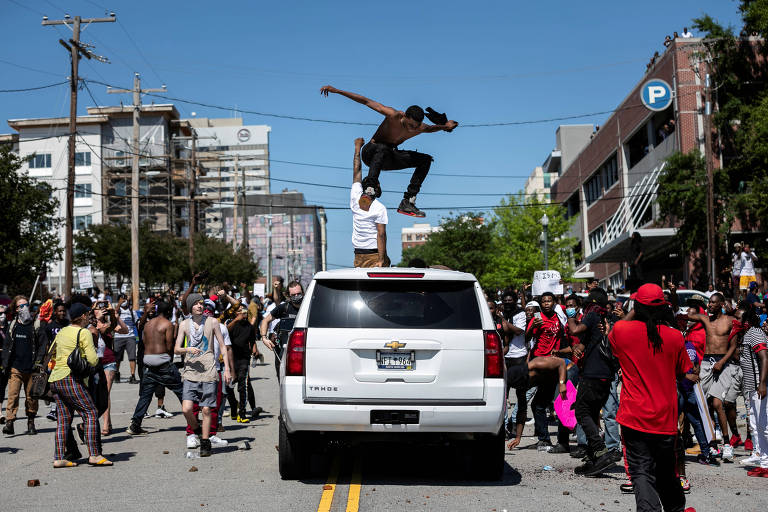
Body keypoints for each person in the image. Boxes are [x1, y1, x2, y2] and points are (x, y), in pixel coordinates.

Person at [609, 283, 692, 512]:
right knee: (666, 472)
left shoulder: (622, 331)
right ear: (664, 307)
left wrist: (635, 307)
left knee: (641, 472)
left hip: (634, 416)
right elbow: (683, 371)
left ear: (636, 306)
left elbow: (619, 328)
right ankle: (676, 509)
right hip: (665, 418)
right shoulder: (675, 337)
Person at [320, 85, 458, 217]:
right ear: (404, 116)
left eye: (415, 127)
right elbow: (365, 101)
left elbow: (433, 128)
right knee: (383, 147)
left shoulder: (420, 128)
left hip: (389, 157)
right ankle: (369, 190)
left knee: (426, 160)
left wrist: (446, 126)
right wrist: (337, 91)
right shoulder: (393, 115)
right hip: (370, 152)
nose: (411, 129)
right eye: (410, 125)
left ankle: (408, 201)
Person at [48, 302, 112, 467]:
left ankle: (59, 457)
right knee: (90, 412)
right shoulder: (83, 333)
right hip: (70, 378)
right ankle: (94, 455)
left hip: (55, 379)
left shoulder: (62, 331)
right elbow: (92, 359)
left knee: (63, 419)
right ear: (83, 316)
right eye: (87, 315)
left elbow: (51, 353)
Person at [569, 288, 619, 476]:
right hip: (606, 375)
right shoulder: (606, 319)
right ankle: (592, 459)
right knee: (591, 413)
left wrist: (571, 315)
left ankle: (601, 451)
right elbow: (585, 342)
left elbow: (574, 330)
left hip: (593, 374)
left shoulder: (592, 316)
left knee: (582, 411)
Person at [174, 293, 231, 457]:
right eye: (196, 304)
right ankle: (197, 430)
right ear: (190, 307)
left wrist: (226, 369)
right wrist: (187, 349)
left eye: (201, 304)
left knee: (206, 409)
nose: (200, 306)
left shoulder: (213, 322)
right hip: (190, 371)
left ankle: (205, 442)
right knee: (187, 409)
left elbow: (222, 346)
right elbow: (176, 349)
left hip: (209, 370)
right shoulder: (184, 325)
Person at [687, 293, 742, 461]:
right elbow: (689, 315)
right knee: (703, 402)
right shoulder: (705, 320)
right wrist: (679, 296)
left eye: (713, 303)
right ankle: (712, 444)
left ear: (721, 304)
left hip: (723, 362)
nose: (710, 305)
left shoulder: (730, 321)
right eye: (709, 302)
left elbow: (733, 346)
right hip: (706, 362)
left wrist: (722, 362)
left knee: (718, 403)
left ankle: (727, 443)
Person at [127, 301, 184, 436]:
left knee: (145, 396)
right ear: (169, 312)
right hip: (162, 363)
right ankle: (195, 420)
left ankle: (135, 425)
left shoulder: (148, 324)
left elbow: (145, 342)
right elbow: (169, 346)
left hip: (148, 362)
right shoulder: (167, 324)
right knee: (182, 391)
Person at [2, 295, 47, 436]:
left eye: (26, 305)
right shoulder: (13, 325)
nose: (25, 308)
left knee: (31, 397)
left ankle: (31, 422)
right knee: (13, 395)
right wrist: (5, 364)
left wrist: (39, 362)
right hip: (15, 367)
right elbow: (7, 346)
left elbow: (43, 345)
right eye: (21, 306)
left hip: (32, 368)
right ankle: (10, 422)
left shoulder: (36, 324)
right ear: (16, 309)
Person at [733, 302, 768, 476]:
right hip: (752, 387)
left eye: (738, 318)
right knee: (757, 424)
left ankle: (766, 462)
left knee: (764, 426)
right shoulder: (746, 334)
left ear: (746, 318)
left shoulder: (755, 333)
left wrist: (762, 384)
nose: (735, 320)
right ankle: (763, 461)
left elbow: (764, 358)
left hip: (760, 387)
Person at [506, 355, 568, 451]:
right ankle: (544, 440)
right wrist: (518, 438)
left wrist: (562, 383)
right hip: (549, 380)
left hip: (566, 370)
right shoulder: (521, 386)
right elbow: (521, 412)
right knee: (537, 405)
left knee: (562, 404)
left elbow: (561, 363)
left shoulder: (537, 363)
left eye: (524, 384)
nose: (525, 387)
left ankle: (563, 444)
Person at [350, 137, 389, 268]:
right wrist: (381, 259)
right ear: (375, 186)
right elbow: (381, 234)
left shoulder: (356, 197)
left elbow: (357, 172)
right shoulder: (379, 208)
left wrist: (357, 149)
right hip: (374, 254)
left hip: (358, 255)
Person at [260, 281, 304, 380]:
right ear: (289, 295)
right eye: (293, 295)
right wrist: (264, 338)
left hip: (304, 353)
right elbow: (265, 321)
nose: (296, 296)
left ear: (303, 293)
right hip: (284, 353)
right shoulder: (284, 307)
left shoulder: (310, 307)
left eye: (299, 294)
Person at [227, 304, 260, 422]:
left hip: (244, 359)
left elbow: (252, 340)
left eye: (244, 311)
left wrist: (255, 349)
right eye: (240, 311)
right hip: (231, 359)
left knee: (243, 386)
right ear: (235, 313)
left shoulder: (249, 327)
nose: (243, 313)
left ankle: (242, 413)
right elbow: (225, 331)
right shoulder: (231, 324)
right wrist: (236, 320)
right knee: (228, 387)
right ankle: (233, 406)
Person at [113, 294, 139, 384]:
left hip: (130, 336)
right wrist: (119, 304)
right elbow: (113, 316)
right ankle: (116, 374)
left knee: (132, 357)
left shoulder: (132, 312)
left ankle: (132, 376)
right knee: (117, 358)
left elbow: (137, 323)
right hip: (118, 337)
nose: (124, 301)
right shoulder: (117, 310)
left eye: (125, 300)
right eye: (122, 300)